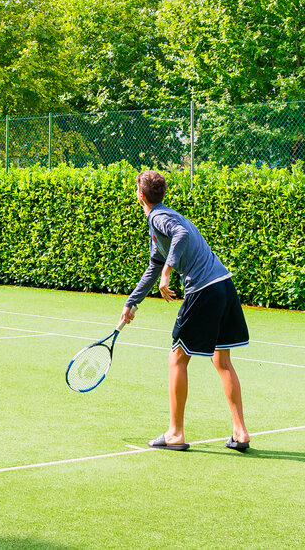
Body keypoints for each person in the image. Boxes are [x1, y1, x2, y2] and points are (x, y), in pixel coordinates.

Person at [120, 170, 250, 452]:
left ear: (140, 195)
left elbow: (177, 239)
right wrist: (132, 302)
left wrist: (169, 270)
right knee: (221, 360)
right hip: (224, 286)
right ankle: (240, 433)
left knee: (177, 357)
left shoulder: (158, 217)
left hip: (204, 289)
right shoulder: (164, 220)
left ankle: (175, 433)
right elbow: (155, 264)